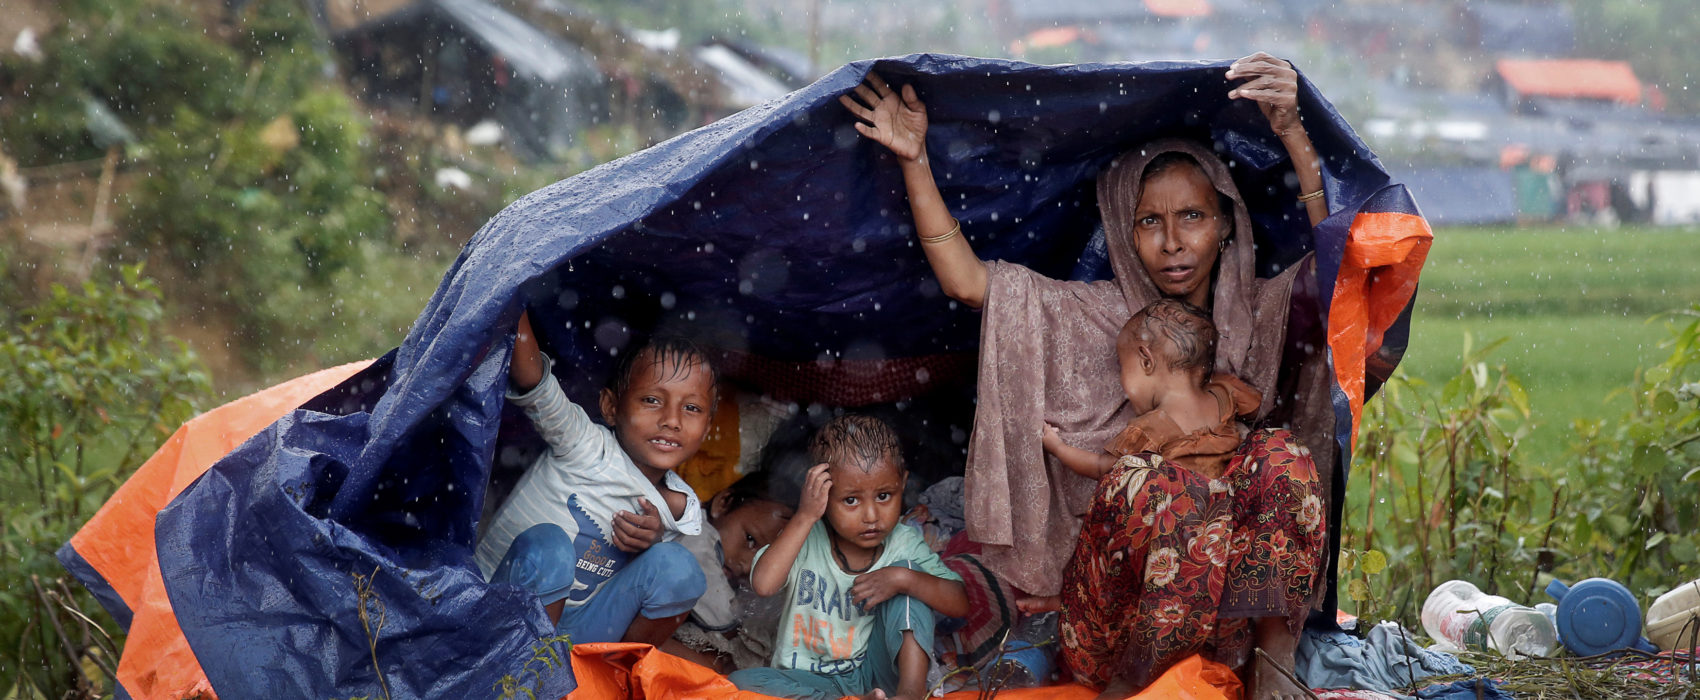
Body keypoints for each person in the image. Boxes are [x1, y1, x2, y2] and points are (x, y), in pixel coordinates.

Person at [840, 53, 1335, 699]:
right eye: (1149, 221)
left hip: (1228, 614)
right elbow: (967, 283)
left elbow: (1337, 287)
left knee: (1281, 454)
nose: (1173, 242)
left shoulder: (1260, 313)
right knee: (1168, 490)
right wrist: (914, 158)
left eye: (1192, 216)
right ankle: (1144, 690)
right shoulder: (1098, 312)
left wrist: (1295, 134)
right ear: (1127, 235)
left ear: (1224, 225)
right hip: (1116, 626)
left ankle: (1272, 664)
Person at [474, 311, 711, 647]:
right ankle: (528, 673)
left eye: (692, 408)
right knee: (551, 548)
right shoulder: (582, 442)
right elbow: (531, 378)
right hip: (504, 609)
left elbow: (654, 583)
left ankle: (615, 676)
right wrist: (514, 299)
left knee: (680, 570)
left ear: (707, 428)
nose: (672, 420)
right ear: (611, 406)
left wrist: (652, 541)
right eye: (652, 400)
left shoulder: (678, 508)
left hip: (582, 634)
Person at [729, 415, 969, 700]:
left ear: (902, 484)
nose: (871, 516)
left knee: (909, 577)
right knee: (740, 682)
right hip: (805, 679)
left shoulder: (903, 543)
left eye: (884, 496)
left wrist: (903, 579)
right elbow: (764, 585)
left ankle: (911, 693)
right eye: (851, 500)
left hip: (876, 675)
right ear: (823, 494)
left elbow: (959, 603)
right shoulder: (805, 537)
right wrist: (805, 516)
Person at [1039, 298, 1260, 483]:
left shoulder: (1148, 429)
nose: (1121, 381)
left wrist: (1058, 448)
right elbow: (1257, 406)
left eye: (1122, 366)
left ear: (1146, 361)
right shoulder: (1224, 393)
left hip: (1182, 524)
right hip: (1233, 511)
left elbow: (1101, 468)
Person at [664, 471, 796, 672]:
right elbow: (720, 615)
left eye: (765, 560)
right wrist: (737, 632)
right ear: (724, 503)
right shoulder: (694, 531)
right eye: (750, 539)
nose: (748, 565)